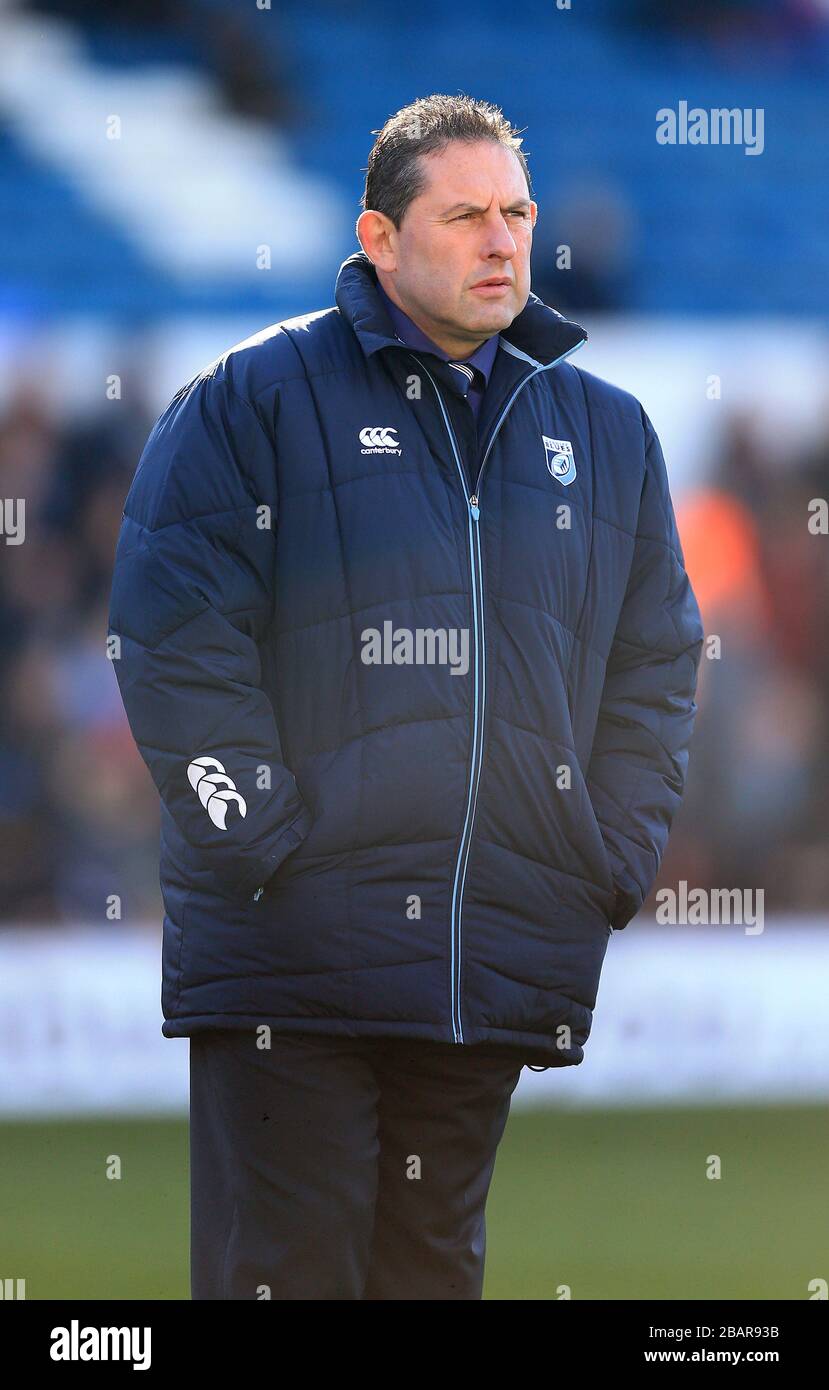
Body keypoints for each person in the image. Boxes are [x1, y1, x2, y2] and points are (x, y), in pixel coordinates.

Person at [108, 93, 703, 1300]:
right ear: (379, 240)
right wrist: (258, 837)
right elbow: (170, 635)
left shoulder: (609, 431)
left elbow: (657, 661)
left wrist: (609, 849)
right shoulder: (252, 398)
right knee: (290, 1276)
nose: (503, 242)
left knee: (431, 1278)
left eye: (519, 213)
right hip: (294, 955)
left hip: (492, 955)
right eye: (468, 215)